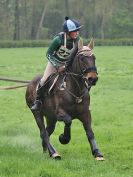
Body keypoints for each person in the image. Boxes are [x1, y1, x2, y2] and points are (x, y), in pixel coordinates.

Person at [31, 16, 83, 111]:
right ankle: (38, 102)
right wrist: (57, 66)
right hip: (54, 62)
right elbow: (48, 54)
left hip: (68, 64)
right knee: (43, 80)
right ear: (68, 32)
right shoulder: (58, 40)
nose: (77, 33)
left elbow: (79, 53)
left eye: (77, 30)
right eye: (75, 31)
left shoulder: (78, 39)